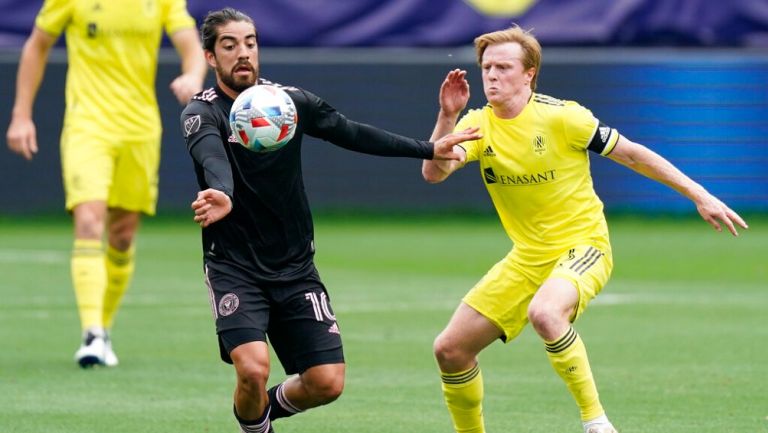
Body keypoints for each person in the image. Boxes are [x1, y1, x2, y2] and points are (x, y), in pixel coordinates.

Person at [422, 26, 748, 433]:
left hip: (583, 245)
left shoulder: (562, 117)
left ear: (529, 73)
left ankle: (597, 423)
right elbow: (434, 173)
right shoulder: (478, 124)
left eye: (503, 67)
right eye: (487, 67)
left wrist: (698, 193)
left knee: (545, 312)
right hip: (527, 258)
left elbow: (632, 155)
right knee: (450, 349)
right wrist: (448, 115)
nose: (491, 75)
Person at [179, 7, 481, 433]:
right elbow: (211, 156)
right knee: (252, 368)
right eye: (229, 46)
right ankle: (256, 424)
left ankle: (258, 414)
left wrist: (428, 149)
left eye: (250, 43)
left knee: (326, 382)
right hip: (235, 266)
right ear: (211, 57)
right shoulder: (200, 112)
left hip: (295, 267)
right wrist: (223, 193)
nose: (243, 53)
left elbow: (351, 132)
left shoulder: (288, 102)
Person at [5, 0, 207, 368]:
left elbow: (191, 45)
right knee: (88, 221)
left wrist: (193, 76)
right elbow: (37, 44)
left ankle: (104, 330)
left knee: (123, 234)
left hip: (140, 129)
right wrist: (21, 114)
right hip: (87, 125)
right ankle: (92, 333)